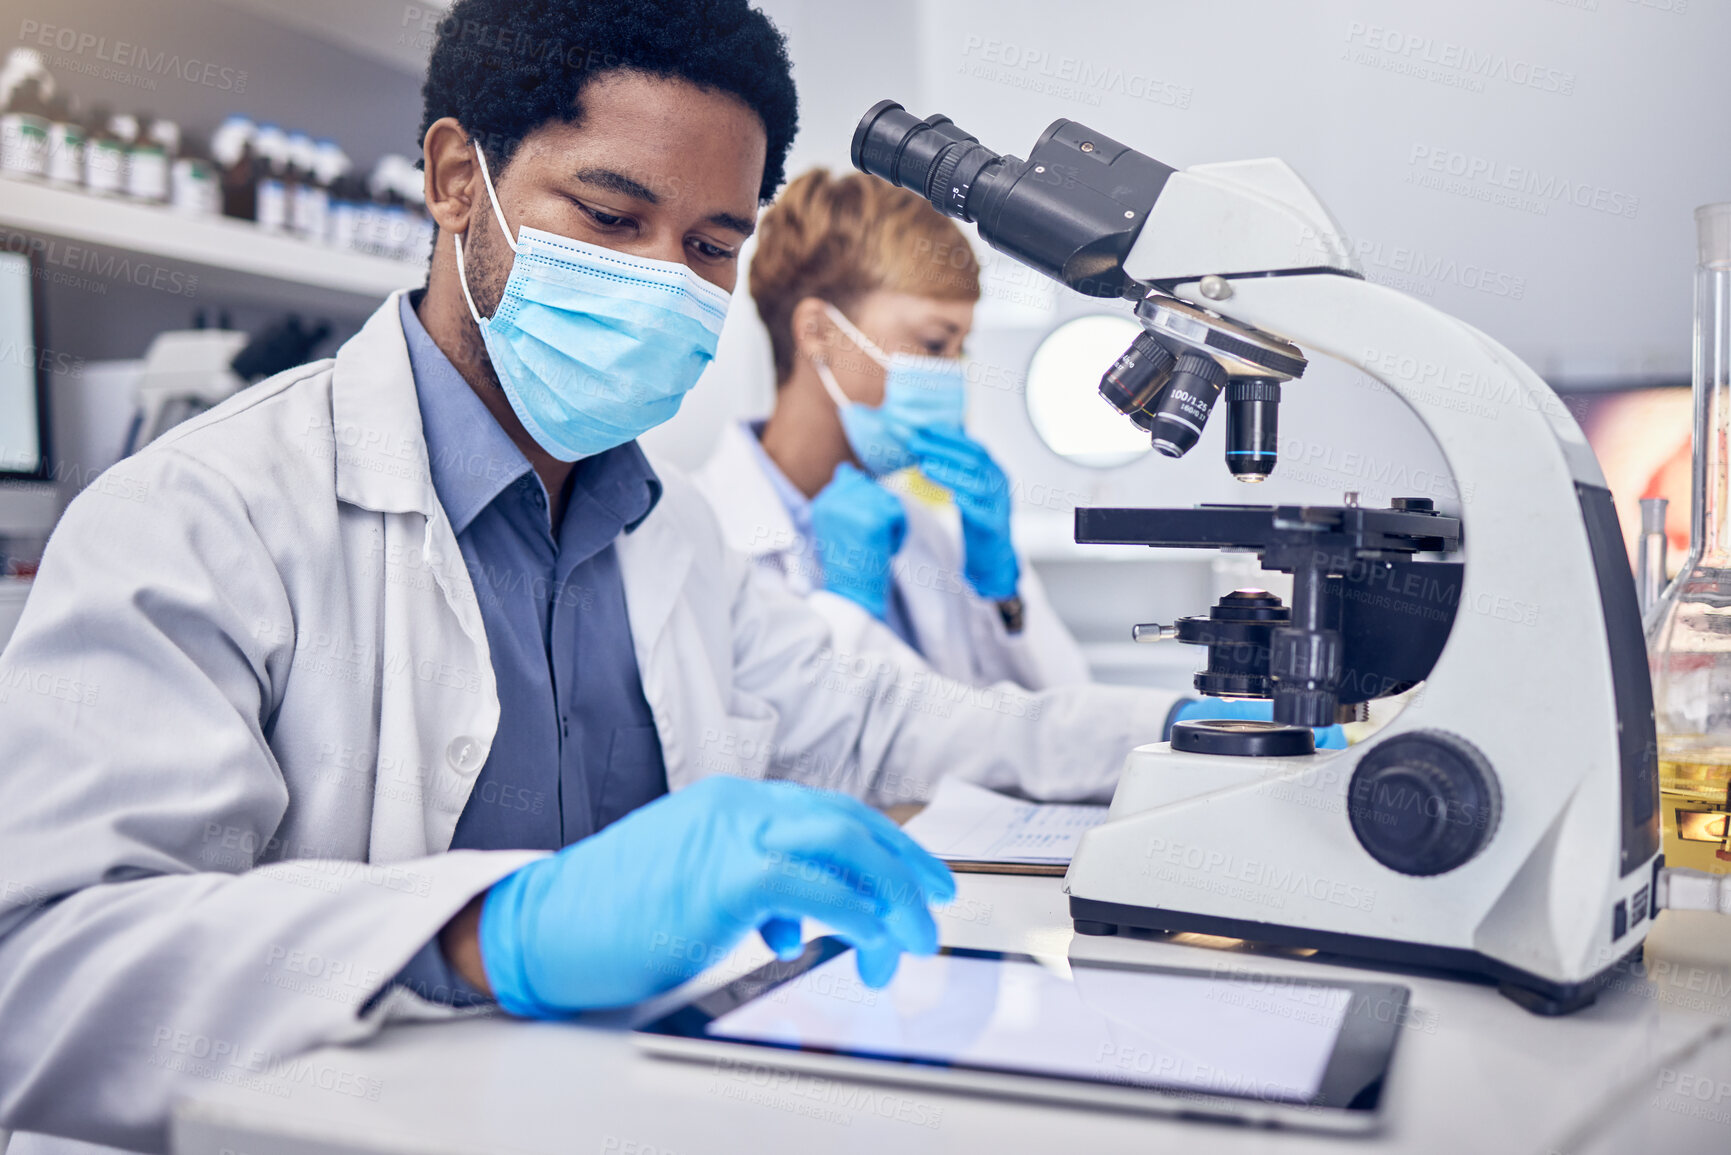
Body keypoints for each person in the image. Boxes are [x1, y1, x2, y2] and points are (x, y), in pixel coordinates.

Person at [0, 3, 1177, 1150]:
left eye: (713, 246)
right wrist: (486, 934)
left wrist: (1196, 735)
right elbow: (39, 976)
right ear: (458, 179)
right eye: (614, 218)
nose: (670, 280)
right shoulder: (204, 512)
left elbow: (883, 721)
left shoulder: (668, 533)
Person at [696, 169, 1090, 690]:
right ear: (818, 333)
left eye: (959, 349)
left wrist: (1001, 593)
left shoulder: (933, 535)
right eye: (932, 345)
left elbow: (1054, 728)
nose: (952, 373)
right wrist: (849, 611)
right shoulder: (704, 539)